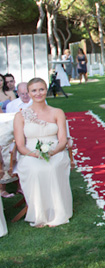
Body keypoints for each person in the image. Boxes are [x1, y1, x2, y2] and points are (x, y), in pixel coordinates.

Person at [12, 78, 72, 227]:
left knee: (52, 167)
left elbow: (63, 140)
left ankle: (58, 211)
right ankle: (40, 212)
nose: (38, 93)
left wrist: (53, 152)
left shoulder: (57, 112)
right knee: (36, 169)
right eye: (34, 90)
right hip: (30, 152)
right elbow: (20, 145)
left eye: (41, 89)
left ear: (46, 90)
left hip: (55, 151)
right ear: (29, 93)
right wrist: (34, 154)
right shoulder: (20, 116)